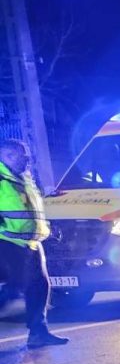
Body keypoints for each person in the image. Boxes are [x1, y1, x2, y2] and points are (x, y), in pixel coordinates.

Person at [0, 138, 68, 347]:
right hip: (7, 241)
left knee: (39, 285)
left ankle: (38, 333)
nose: (27, 161)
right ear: (7, 155)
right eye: (23, 157)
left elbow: (31, 212)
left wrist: (45, 229)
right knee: (16, 285)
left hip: (31, 242)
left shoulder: (24, 179)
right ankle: (38, 331)